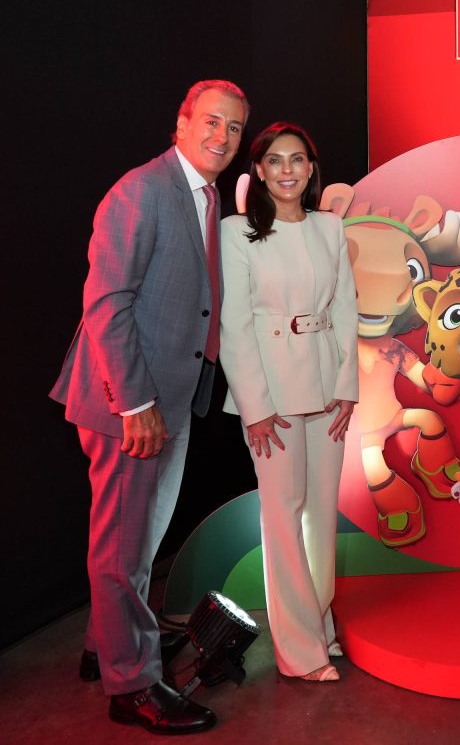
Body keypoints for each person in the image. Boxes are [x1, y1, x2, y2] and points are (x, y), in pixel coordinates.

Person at [51, 79, 249, 734]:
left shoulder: (204, 193)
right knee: (121, 546)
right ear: (182, 123)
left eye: (234, 128)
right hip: (130, 403)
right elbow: (106, 305)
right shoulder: (141, 190)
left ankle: (104, 645)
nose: (222, 136)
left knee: (137, 540)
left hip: (170, 396)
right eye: (211, 121)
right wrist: (134, 403)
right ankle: (131, 684)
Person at [219, 122, 358, 682]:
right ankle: (300, 653)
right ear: (258, 170)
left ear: (310, 168)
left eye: (296, 159)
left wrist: (347, 386)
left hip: (327, 386)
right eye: (274, 160)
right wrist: (254, 407)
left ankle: (319, 626)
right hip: (271, 392)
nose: (286, 170)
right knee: (283, 515)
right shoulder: (237, 232)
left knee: (321, 515)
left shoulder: (329, 226)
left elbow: (345, 309)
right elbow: (234, 325)